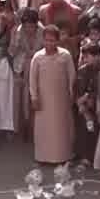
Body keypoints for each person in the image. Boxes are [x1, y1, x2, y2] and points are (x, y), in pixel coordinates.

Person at [29, 23, 76, 176]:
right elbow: (32, 79)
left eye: (52, 40)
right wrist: (34, 97)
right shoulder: (37, 57)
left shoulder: (65, 55)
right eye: (46, 40)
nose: (49, 43)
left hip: (61, 99)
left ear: (57, 40)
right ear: (43, 40)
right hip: (43, 100)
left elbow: (72, 76)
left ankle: (63, 156)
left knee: (61, 127)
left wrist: (71, 94)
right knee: (44, 128)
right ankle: (43, 157)